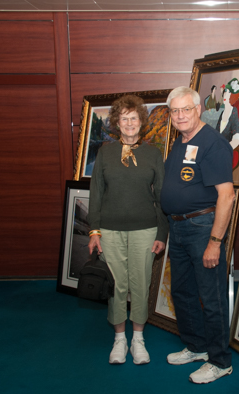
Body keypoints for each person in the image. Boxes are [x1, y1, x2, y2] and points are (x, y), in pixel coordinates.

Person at [160, 86, 235, 384]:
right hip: (178, 228)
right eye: (174, 111)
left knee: (212, 297)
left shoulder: (213, 144)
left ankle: (220, 361)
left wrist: (215, 243)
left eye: (185, 110)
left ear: (197, 110)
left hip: (203, 230)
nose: (180, 116)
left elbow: (226, 197)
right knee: (182, 292)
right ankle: (196, 346)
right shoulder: (180, 142)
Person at [87, 94, 168, 366]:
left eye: (134, 118)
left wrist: (161, 233)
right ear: (117, 123)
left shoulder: (153, 154)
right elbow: (96, 193)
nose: (130, 123)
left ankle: (138, 339)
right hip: (109, 231)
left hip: (145, 229)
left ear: (141, 122)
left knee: (141, 283)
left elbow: (162, 197)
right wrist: (94, 231)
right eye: (124, 118)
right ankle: (119, 339)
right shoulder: (105, 153)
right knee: (117, 285)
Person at [216, 79, 239, 150]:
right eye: (225, 92)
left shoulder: (234, 111)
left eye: (228, 92)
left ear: (233, 96)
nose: (225, 95)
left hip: (224, 153)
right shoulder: (222, 113)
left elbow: (237, 139)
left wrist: (225, 150)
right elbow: (216, 134)